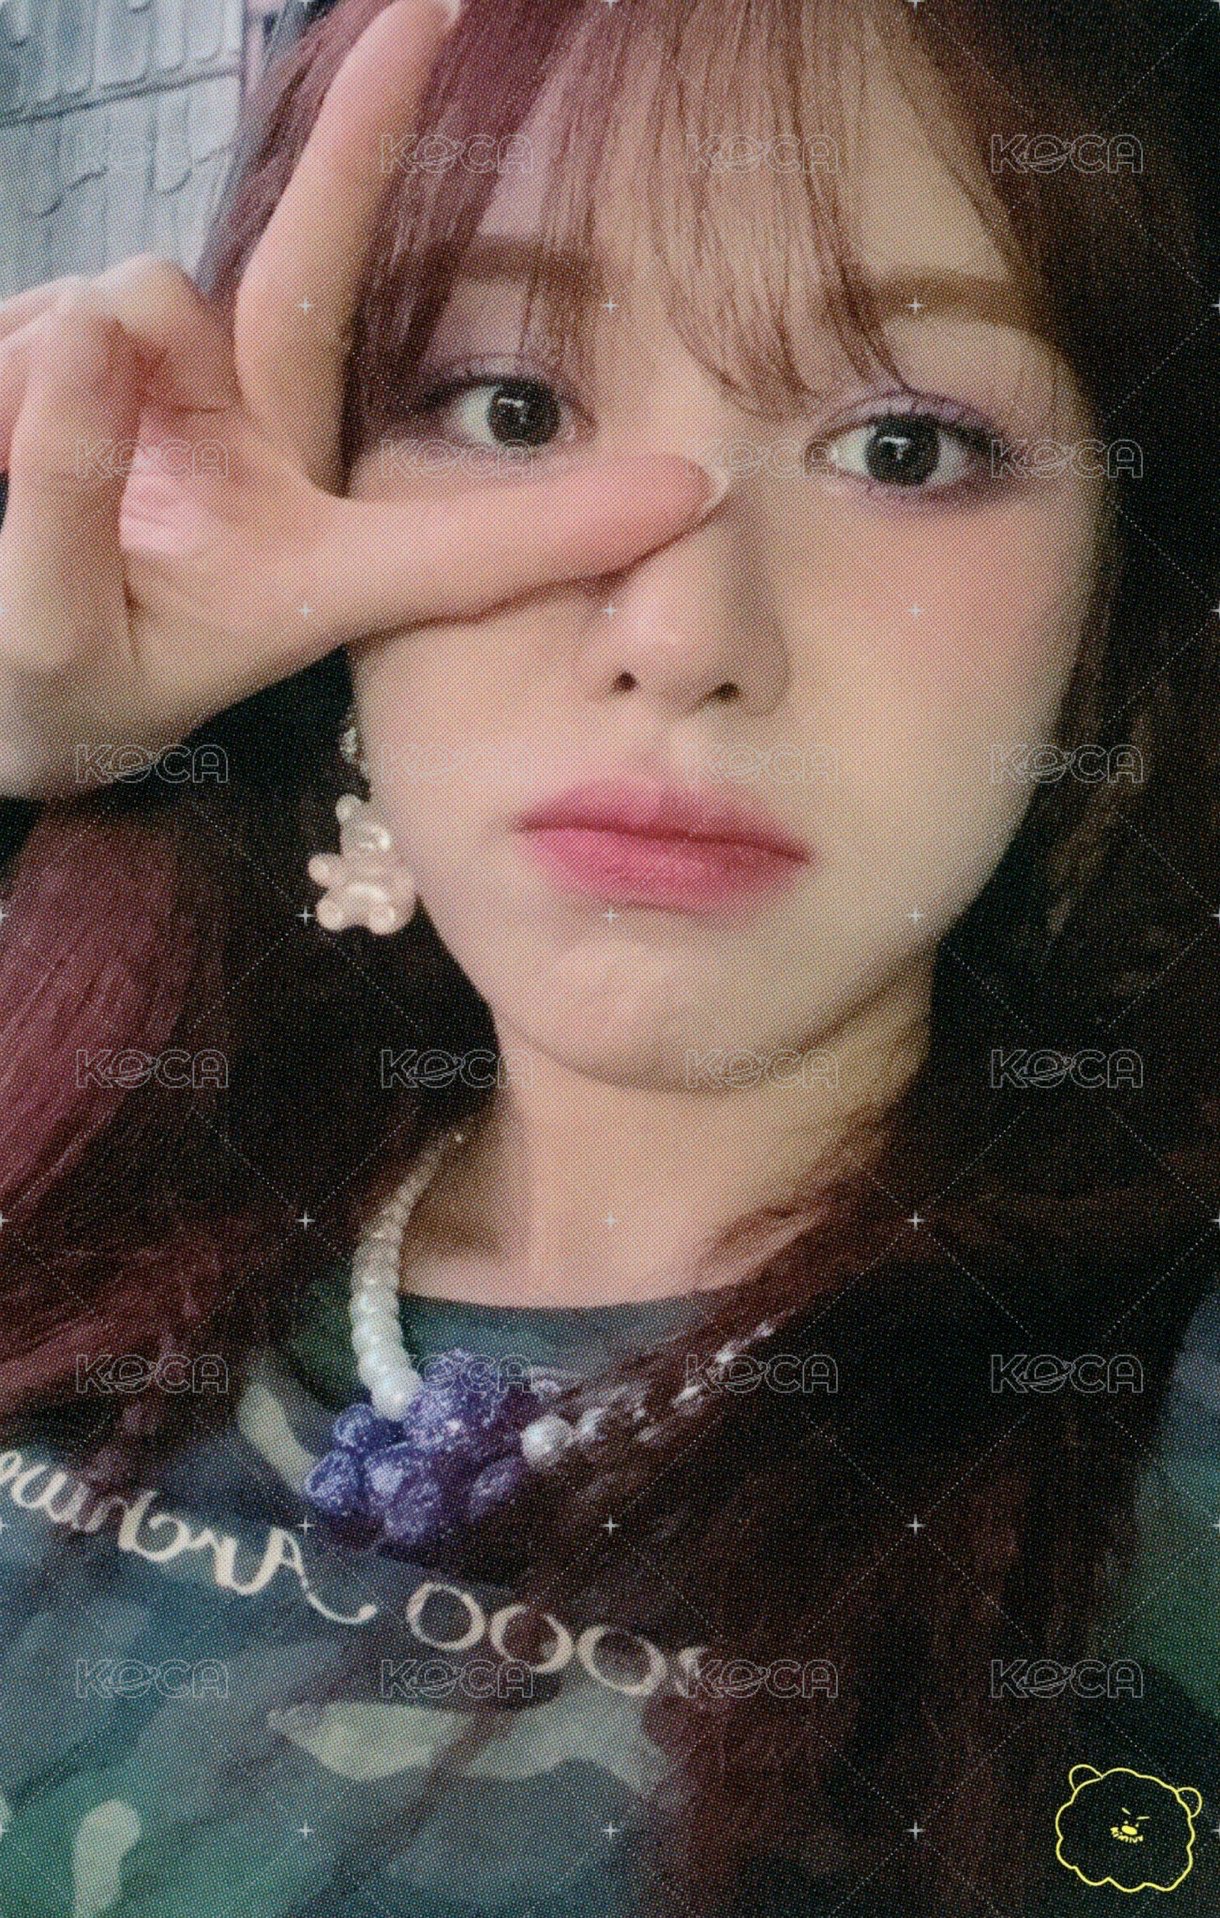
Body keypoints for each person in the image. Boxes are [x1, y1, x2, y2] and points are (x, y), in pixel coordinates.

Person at [0, 0, 1216, 1911]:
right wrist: (56, 765)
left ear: (1114, 603)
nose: (682, 633)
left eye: (907, 443)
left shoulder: (1156, 1441)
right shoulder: (95, 1155)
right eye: (509, 408)